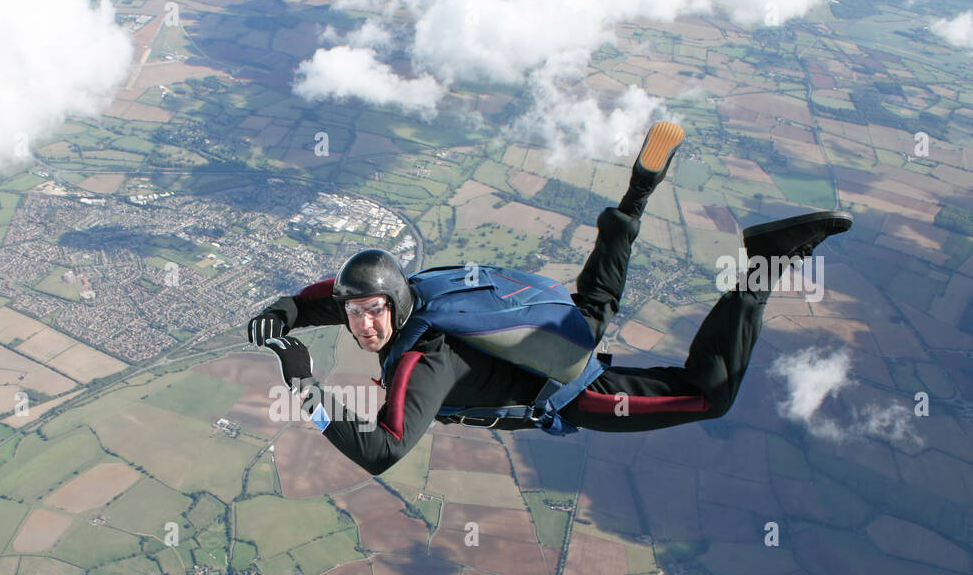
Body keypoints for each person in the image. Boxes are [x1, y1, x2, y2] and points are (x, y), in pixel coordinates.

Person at [247, 122, 852, 476]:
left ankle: (765, 265)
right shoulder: (416, 291)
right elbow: (349, 292)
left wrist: (304, 387)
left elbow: (382, 452)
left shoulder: (419, 361)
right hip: (556, 332)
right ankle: (637, 196)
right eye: (355, 316)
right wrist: (291, 309)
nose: (362, 327)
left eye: (371, 314)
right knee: (594, 310)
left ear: (394, 308)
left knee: (708, 396)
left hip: (577, 393)